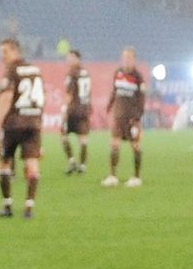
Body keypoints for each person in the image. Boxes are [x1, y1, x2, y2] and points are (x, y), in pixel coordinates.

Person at [0, 37, 44, 217]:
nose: (2, 57)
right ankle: (29, 207)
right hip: (33, 122)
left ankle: (7, 205)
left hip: (14, 122)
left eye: (4, 52)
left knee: (5, 162)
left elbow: (6, 97)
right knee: (32, 164)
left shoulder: (11, 70)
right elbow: (40, 99)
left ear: (15, 50)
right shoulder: (36, 70)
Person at [101, 47, 146, 186]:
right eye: (124, 58)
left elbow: (141, 98)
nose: (126, 60)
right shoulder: (118, 73)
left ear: (134, 59)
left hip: (132, 117)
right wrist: (109, 106)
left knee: (135, 146)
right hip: (118, 116)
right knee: (114, 144)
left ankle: (136, 177)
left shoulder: (138, 77)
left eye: (129, 58)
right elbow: (115, 91)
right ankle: (113, 176)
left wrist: (137, 116)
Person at [61, 47, 92, 173]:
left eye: (70, 57)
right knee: (83, 138)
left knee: (63, 136)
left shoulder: (72, 73)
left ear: (76, 58)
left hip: (73, 108)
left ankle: (72, 161)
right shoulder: (86, 72)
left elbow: (69, 94)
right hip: (84, 108)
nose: (68, 60)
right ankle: (83, 165)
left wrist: (64, 109)